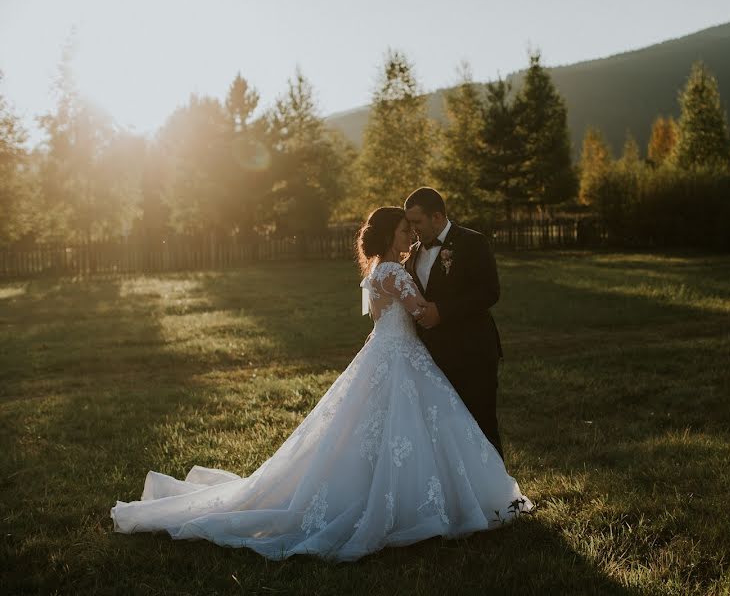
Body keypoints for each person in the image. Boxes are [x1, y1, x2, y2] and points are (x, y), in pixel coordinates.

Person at [109, 206, 532, 562]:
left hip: (384, 354)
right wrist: (438, 309)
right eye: (405, 228)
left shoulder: (375, 274)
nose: (410, 234)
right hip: (401, 358)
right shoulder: (397, 274)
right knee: (411, 430)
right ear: (389, 234)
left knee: (369, 435)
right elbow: (421, 313)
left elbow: (380, 323)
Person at [403, 187, 505, 460]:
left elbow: (489, 292)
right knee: (444, 431)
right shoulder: (412, 253)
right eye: (409, 223)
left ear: (437, 217)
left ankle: (497, 497)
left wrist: (443, 311)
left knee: (480, 424)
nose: (412, 229)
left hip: (472, 352)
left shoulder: (473, 243)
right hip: (431, 357)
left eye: (417, 222)